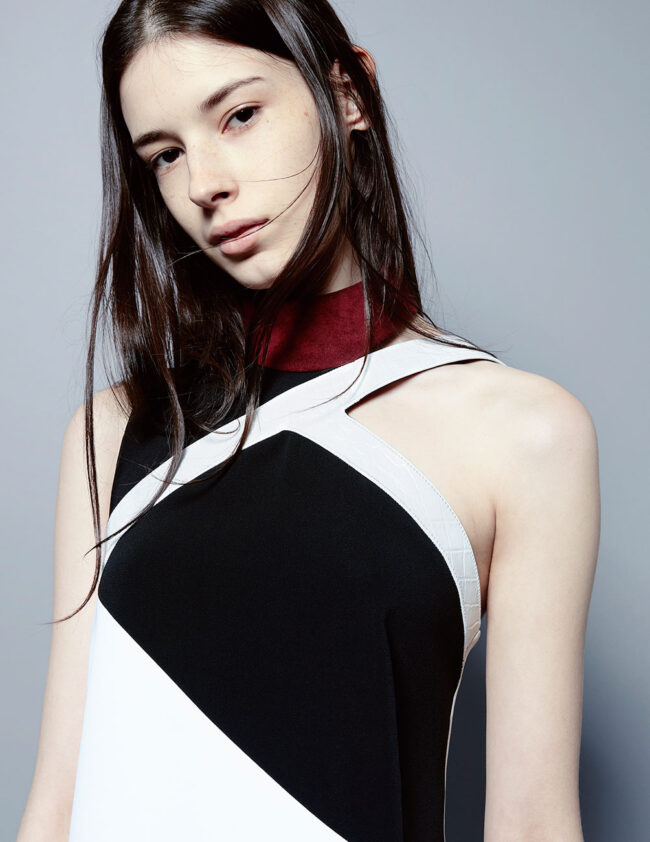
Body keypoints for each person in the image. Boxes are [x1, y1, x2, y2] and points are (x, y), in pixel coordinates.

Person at [16, 1, 600, 840]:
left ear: (348, 92)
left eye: (239, 115)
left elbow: (535, 823)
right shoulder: (114, 428)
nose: (204, 183)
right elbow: (57, 803)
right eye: (166, 154)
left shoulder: (523, 433)